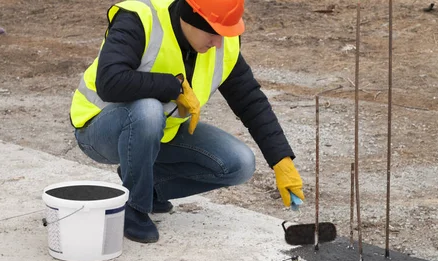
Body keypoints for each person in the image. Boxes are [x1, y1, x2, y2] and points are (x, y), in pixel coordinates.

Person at [70, 0, 305, 243]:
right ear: (190, 17)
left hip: (158, 134)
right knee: (148, 109)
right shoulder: (141, 18)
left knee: (239, 163)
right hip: (98, 130)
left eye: (225, 33)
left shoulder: (222, 43)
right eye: (213, 32)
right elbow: (110, 82)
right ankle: (134, 208)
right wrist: (173, 86)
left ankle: (149, 186)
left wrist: (280, 160)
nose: (219, 42)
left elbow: (250, 100)